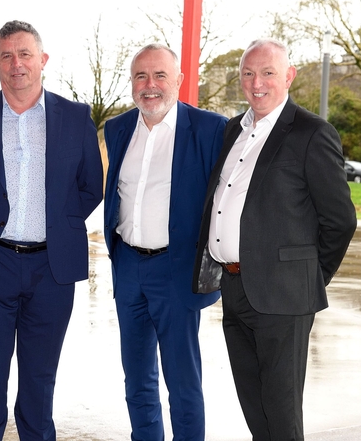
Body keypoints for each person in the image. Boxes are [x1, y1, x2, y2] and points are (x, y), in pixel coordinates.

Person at [0, 20, 103, 440]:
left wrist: (60, 225)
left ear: (43, 60)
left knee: (39, 378)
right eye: (7, 56)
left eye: (25, 54)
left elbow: (91, 187)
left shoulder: (74, 118)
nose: (17, 64)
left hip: (52, 269)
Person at [192, 38, 357, 440]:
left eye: (267, 73)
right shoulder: (235, 128)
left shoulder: (312, 133)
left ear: (289, 76)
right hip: (234, 287)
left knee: (281, 414)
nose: (257, 83)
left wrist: (305, 278)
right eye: (248, 73)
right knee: (255, 406)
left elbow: (340, 221)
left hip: (284, 297)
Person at [103, 43, 227, 441]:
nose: (150, 85)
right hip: (128, 268)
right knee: (137, 380)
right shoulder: (119, 128)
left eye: (159, 75)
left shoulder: (210, 129)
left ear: (179, 80)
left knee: (182, 382)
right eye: (141, 76)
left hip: (177, 270)